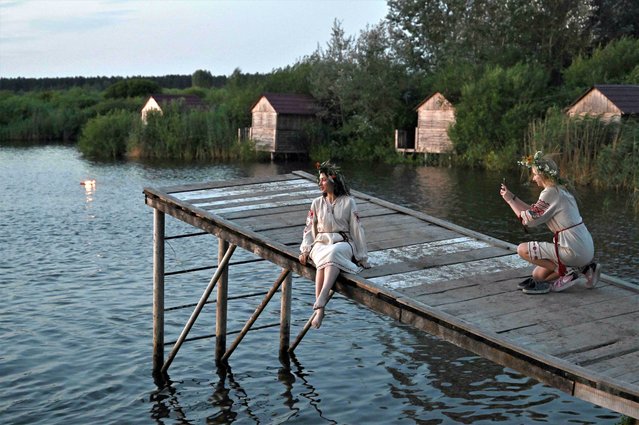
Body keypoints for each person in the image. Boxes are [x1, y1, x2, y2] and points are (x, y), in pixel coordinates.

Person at [500, 151, 601, 295]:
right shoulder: (560, 190)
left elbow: (528, 220)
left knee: (522, 249)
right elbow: (534, 211)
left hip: (571, 248)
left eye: (534, 174)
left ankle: (568, 272)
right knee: (538, 276)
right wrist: (512, 197)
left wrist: (510, 201)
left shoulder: (550, 193)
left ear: (542, 175)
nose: (533, 178)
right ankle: (586, 268)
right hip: (583, 246)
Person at [299, 160, 370, 328]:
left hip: (342, 242)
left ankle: (322, 298)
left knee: (333, 253)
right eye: (320, 179)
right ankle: (320, 310)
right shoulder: (316, 203)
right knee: (323, 258)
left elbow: (357, 228)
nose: (320, 183)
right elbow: (309, 228)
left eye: (323, 179)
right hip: (321, 243)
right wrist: (305, 249)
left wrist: (361, 257)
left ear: (333, 180)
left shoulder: (348, 202)